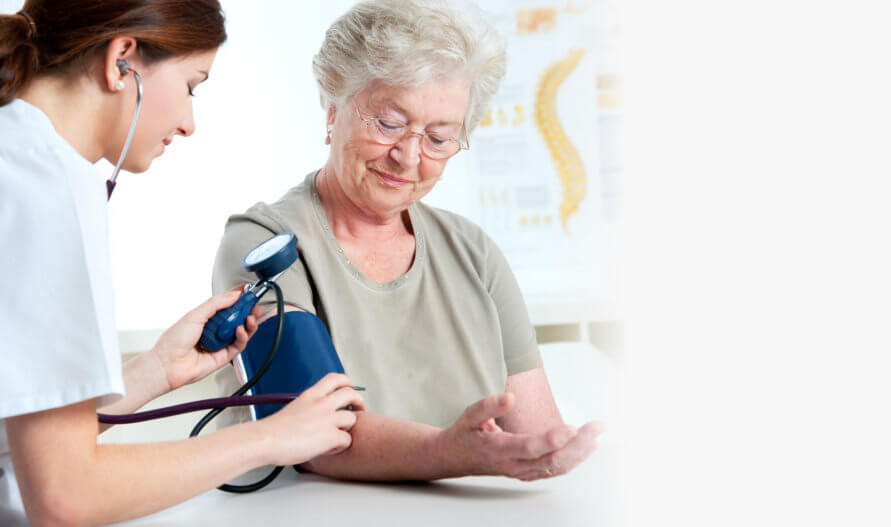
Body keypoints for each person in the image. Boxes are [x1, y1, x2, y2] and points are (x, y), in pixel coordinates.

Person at [0, 2, 363, 525]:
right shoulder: (49, 187)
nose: (190, 124)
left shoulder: (18, 151)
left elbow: (21, 435)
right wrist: (270, 438)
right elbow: (65, 495)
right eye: (193, 85)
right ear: (121, 59)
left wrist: (155, 372)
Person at [212, 0, 600, 483]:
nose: (409, 156)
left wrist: (556, 453)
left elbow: (538, 437)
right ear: (333, 107)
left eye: (439, 138)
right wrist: (451, 452)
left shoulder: (473, 253)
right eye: (390, 124)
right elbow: (313, 436)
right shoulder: (265, 244)